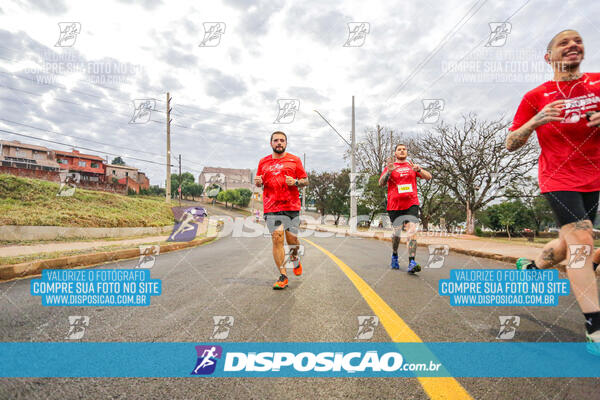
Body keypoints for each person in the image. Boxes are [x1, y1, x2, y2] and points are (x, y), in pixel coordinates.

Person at [506, 29, 600, 354]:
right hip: (558, 178)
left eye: (578, 40)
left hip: (595, 177)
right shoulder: (536, 96)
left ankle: (531, 269)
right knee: (582, 242)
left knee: (568, 243)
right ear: (549, 57)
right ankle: (595, 330)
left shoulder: (598, 83)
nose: (573, 44)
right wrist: (535, 121)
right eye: (564, 42)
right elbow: (510, 143)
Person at [255, 131, 309, 289]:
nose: (279, 143)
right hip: (271, 206)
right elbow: (260, 182)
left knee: (292, 241)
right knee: (277, 237)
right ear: (270, 143)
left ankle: (295, 259)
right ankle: (283, 275)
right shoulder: (263, 162)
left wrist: (296, 182)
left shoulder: (294, 160)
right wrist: (258, 182)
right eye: (276, 140)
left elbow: (306, 181)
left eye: (282, 140)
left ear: (286, 143)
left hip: (291, 205)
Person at [378, 144, 432, 273]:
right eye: (399, 149)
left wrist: (418, 170)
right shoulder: (390, 167)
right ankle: (395, 255)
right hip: (394, 205)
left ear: (407, 152)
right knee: (396, 234)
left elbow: (429, 177)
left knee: (411, 231)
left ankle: (412, 261)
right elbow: (381, 183)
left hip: (411, 203)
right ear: (395, 153)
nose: (402, 151)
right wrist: (389, 172)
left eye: (404, 149)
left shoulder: (412, 166)